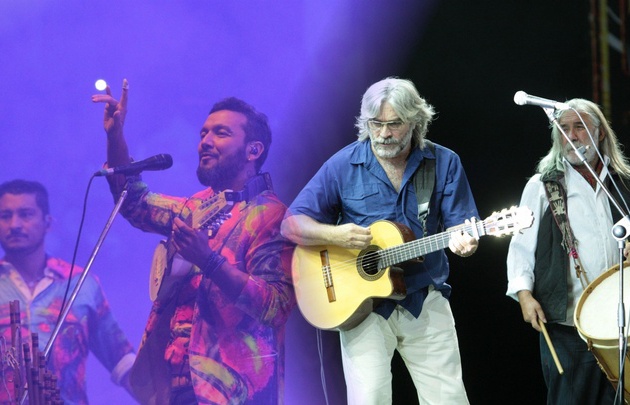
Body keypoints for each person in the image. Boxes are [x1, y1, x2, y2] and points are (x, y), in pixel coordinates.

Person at [92, 80, 295, 405]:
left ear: (253, 150)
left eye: (221, 133)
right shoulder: (195, 207)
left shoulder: (271, 216)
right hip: (175, 384)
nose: (205, 142)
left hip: (232, 392)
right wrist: (116, 135)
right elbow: (134, 203)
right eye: (203, 134)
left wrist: (209, 260)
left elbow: (275, 306)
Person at [281, 77, 479, 405]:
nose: (384, 133)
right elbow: (291, 225)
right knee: (369, 398)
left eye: (394, 124)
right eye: (376, 123)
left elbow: (463, 228)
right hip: (363, 306)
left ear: (415, 122)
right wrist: (336, 234)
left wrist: (466, 243)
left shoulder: (443, 162)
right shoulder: (343, 164)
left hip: (424, 297)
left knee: (449, 399)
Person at [506, 98, 630, 404]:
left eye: (580, 127)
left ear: (600, 133)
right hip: (567, 324)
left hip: (621, 320)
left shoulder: (622, 182)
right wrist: (524, 294)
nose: (571, 135)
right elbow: (521, 246)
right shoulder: (543, 185)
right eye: (563, 128)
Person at [0, 179, 136, 404]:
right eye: (5, 216)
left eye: (25, 214)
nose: (14, 224)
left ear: (47, 223)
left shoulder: (81, 284)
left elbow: (122, 361)